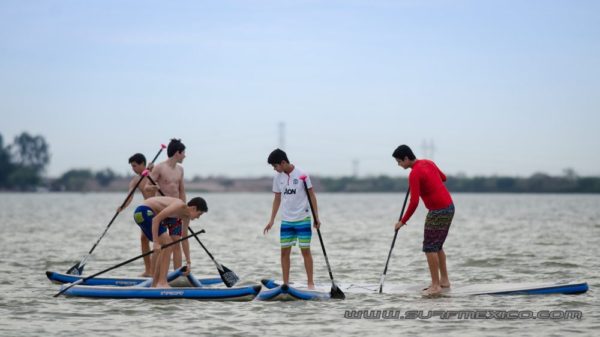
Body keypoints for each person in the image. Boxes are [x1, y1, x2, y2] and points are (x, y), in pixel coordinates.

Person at [392, 144, 455, 296]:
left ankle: (435, 285)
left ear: (406, 158)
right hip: (449, 207)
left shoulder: (414, 174)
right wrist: (426, 180)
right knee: (437, 246)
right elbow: (443, 178)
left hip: (438, 211)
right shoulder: (428, 162)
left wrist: (402, 221)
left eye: (399, 161)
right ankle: (444, 281)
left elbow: (414, 202)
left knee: (429, 247)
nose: (398, 164)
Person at [263, 149, 321, 289]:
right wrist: (271, 220)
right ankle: (286, 283)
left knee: (305, 251)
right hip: (287, 220)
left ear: (283, 163)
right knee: (284, 252)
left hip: (303, 218)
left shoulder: (302, 175)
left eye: (275, 166)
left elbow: (312, 196)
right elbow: (277, 198)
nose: (275, 169)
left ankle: (310, 283)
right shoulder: (278, 178)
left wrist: (316, 218)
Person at [133, 196, 208, 287]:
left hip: (141, 214)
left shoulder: (186, 216)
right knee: (168, 244)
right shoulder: (179, 205)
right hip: (143, 212)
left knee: (165, 246)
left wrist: (188, 262)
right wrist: (156, 243)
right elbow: (156, 220)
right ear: (193, 208)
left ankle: (155, 284)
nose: (198, 218)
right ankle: (162, 282)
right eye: (199, 214)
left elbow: (184, 238)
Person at [146, 138, 187, 270]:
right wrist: (153, 188)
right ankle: (154, 275)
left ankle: (177, 275)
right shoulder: (159, 168)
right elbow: (147, 186)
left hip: (175, 212)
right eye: (183, 153)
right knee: (162, 244)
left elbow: (182, 191)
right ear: (177, 153)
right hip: (161, 211)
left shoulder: (180, 170)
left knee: (177, 243)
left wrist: (184, 210)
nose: (185, 156)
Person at [118, 153, 155, 277]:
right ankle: (148, 271)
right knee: (143, 239)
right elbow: (130, 196)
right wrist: (122, 207)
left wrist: (152, 169)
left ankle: (157, 271)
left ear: (142, 164)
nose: (133, 169)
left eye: (134, 166)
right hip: (147, 210)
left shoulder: (153, 173)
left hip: (159, 209)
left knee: (158, 240)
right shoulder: (135, 180)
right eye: (131, 166)